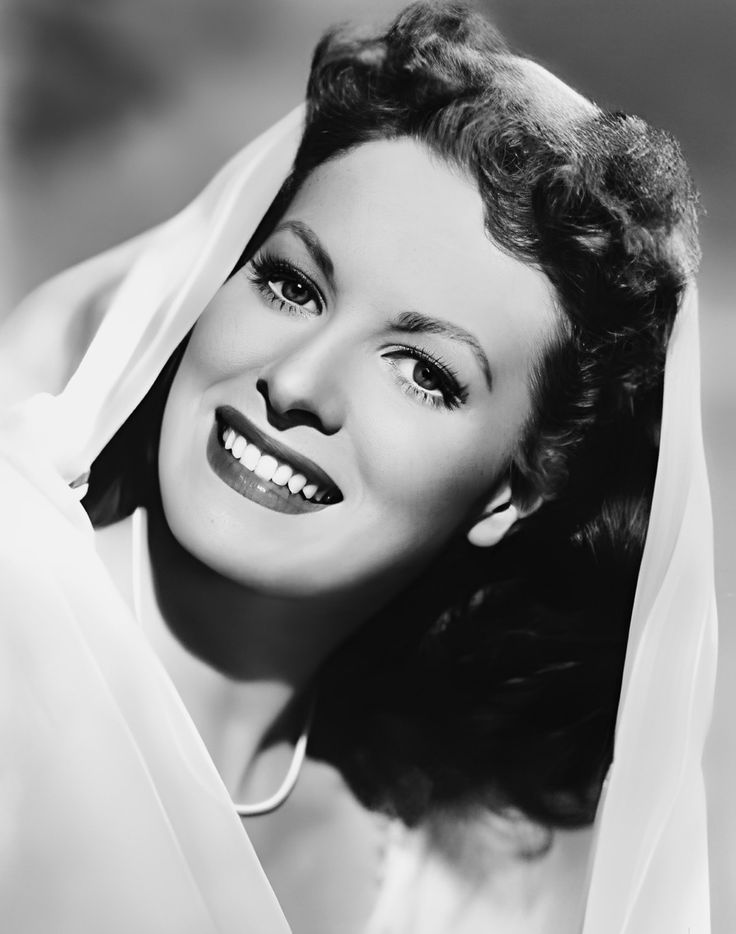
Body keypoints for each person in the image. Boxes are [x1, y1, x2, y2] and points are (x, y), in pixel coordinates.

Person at [0, 4, 717, 933]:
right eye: (291, 284)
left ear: (517, 490)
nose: (296, 383)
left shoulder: (449, 893)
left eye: (425, 374)